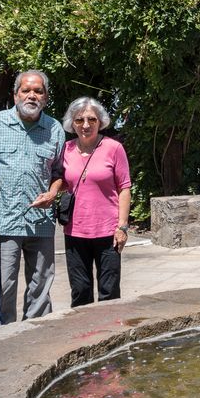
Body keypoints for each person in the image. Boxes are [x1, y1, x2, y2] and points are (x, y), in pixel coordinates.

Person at [0, 70, 65, 324]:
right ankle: (3, 338)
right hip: (3, 222)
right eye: (26, 90)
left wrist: (52, 193)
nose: (32, 95)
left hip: (40, 222)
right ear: (15, 94)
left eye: (38, 91)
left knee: (41, 286)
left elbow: (59, 172)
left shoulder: (55, 128)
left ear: (46, 97)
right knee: (4, 286)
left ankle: (36, 337)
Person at [60, 97, 131, 305]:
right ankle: (84, 336)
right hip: (75, 231)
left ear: (100, 121)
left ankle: (110, 333)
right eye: (79, 120)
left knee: (109, 292)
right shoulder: (66, 149)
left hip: (108, 231)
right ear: (72, 124)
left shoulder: (113, 148)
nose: (85, 125)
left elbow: (124, 188)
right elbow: (62, 182)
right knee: (80, 291)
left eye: (91, 119)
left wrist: (122, 227)